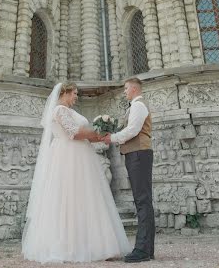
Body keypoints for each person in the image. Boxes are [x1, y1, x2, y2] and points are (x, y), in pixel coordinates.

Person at [22, 82, 132, 262]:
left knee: (86, 197)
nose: (76, 97)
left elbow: (79, 132)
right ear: (64, 93)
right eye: (74, 93)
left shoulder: (69, 111)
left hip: (80, 156)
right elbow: (74, 132)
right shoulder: (59, 111)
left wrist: (101, 133)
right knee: (69, 198)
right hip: (68, 157)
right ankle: (70, 247)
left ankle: (95, 244)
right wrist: (98, 135)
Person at [104, 77, 155, 263]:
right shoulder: (134, 106)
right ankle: (147, 249)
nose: (124, 91)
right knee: (143, 200)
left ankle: (142, 250)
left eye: (126, 88)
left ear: (134, 89)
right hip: (137, 154)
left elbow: (133, 130)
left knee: (142, 201)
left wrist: (113, 138)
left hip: (139, 154)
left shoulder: (138, 106)